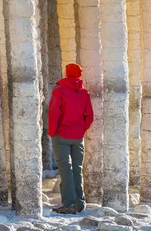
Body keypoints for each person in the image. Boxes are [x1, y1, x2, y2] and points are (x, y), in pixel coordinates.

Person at [48, 62, 94, 214]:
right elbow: (90, 116)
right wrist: (81, 129)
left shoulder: (59, 90)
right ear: (80, 75)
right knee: (77, 170)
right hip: (77, 136)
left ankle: (68, 204)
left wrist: (52, 132)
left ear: (67, 73)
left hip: (61, 135)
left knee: (65, 170)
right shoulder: (84, 93)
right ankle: (80, 203)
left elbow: (54, 112)